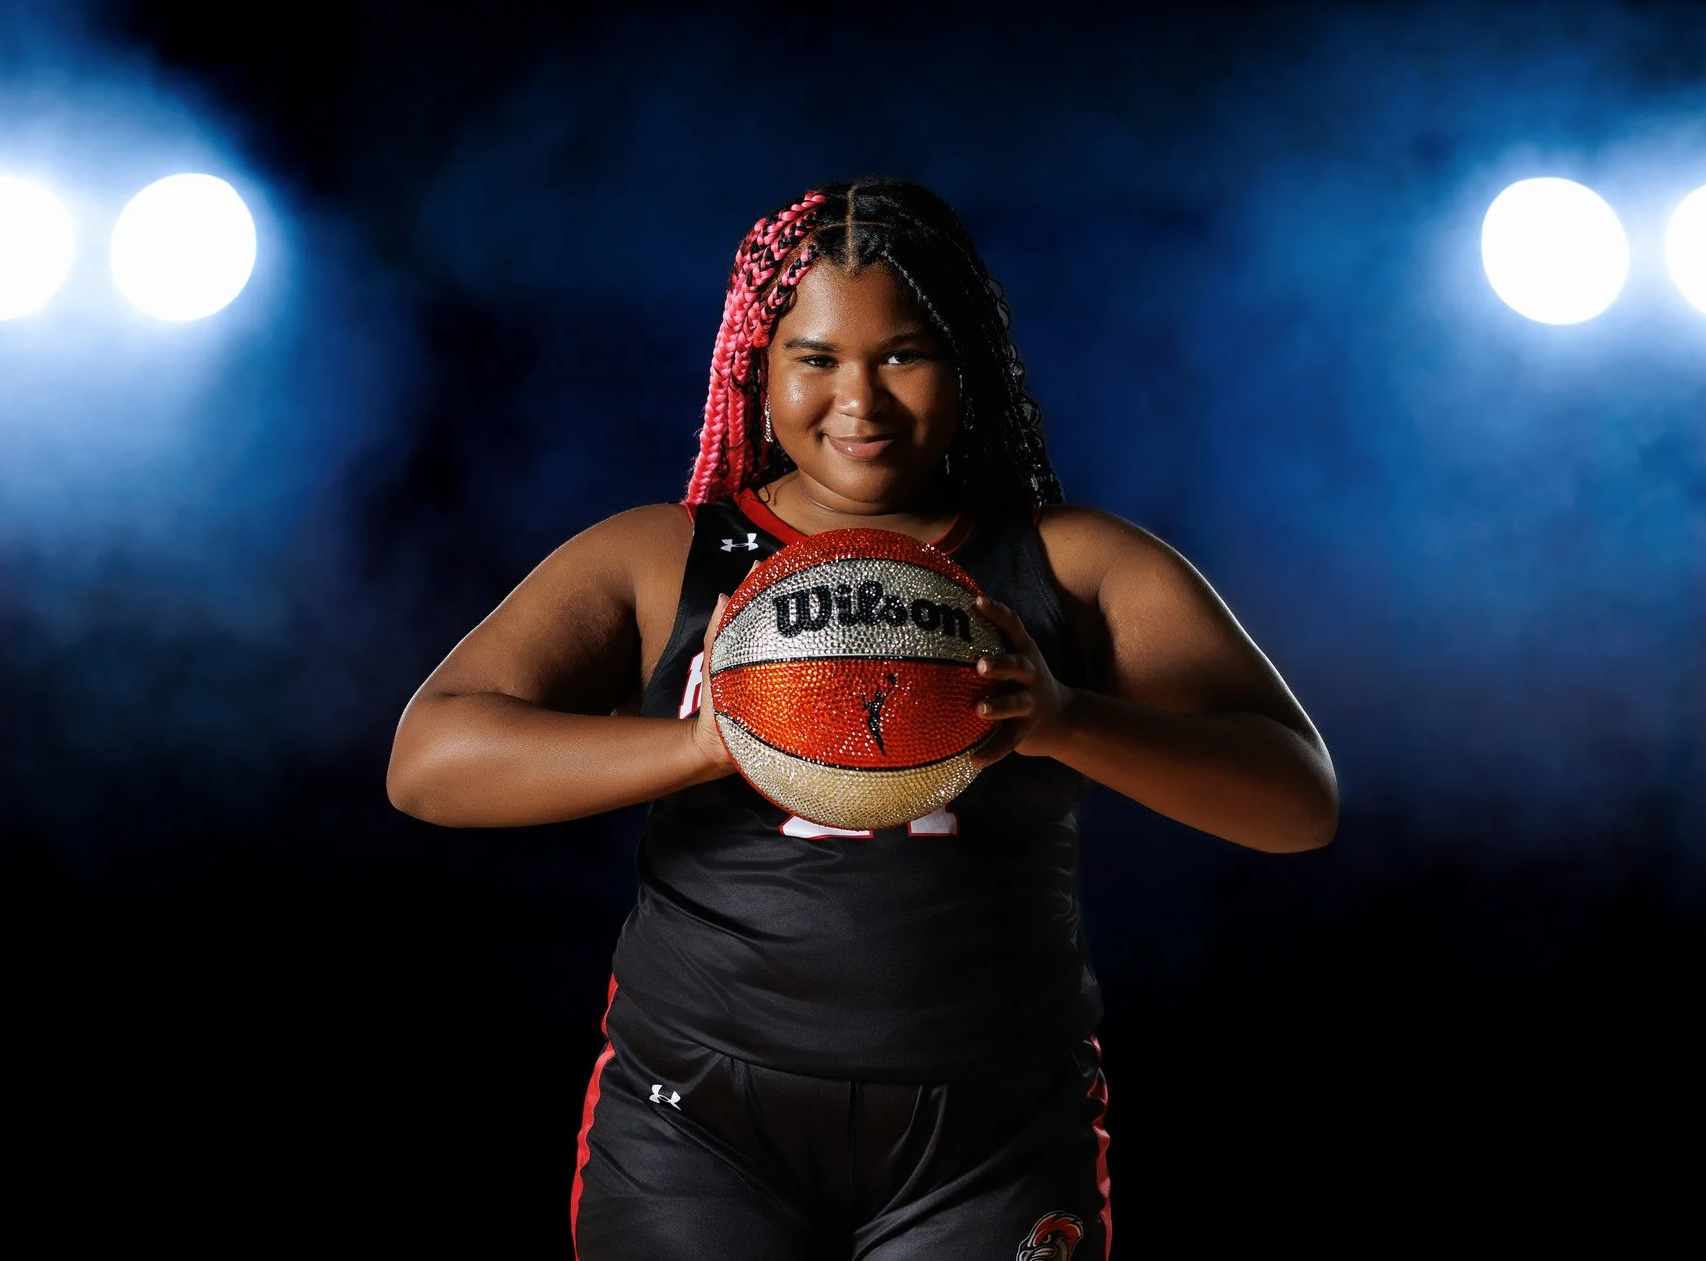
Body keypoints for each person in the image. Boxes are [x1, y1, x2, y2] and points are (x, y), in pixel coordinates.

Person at [386, 179, 1338, 1260]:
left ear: (967, 358)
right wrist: (704, 741)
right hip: (698, 1115)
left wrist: (1067, 719)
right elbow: (427, 760)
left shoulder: (1071, 564)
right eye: (816, 359)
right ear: (757, 365)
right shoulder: (664, 558)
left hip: (992, 1127)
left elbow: (1296, 800)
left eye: (903, 353)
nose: (860, 400)